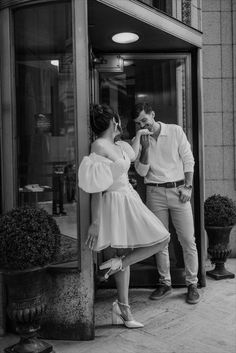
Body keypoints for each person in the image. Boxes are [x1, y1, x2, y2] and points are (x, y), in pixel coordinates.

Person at [78, 104, 170, 329]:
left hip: (128, 198)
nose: (121, 123)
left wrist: (138, 134)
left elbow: (133, 153)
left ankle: (119, 265)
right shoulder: (99, 145)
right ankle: (124, 309)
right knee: (131, 250)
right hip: (114, 201)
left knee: (162, 239)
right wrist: (95, 222)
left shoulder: (117, 144)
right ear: (113, 121)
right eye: (118, 120)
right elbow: (97, 187)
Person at [132, 102, 200, 304]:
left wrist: (188, 186)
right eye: (138, 123)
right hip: (155, 192)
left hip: (178, 190)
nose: (143, 125)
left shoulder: (175, 131)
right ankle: (165, 283)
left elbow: (188, 159)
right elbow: (142, 172)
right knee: (159, 240)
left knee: (187, 239)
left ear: (153, 114)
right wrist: (144, 148)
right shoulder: (140, 141)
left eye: (145, 120)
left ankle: (192, 284)